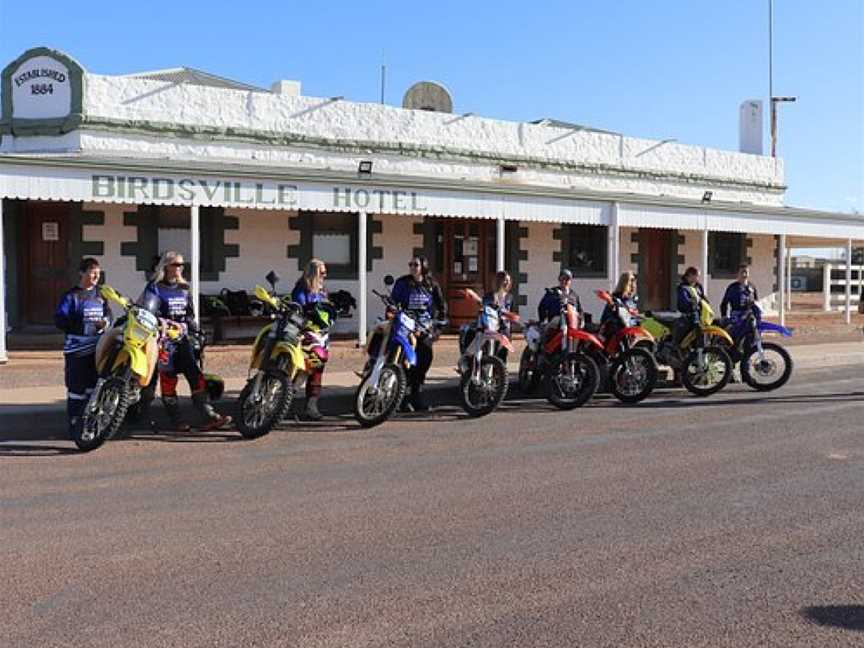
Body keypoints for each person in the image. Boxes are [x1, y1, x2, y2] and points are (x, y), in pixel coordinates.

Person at [140, 251, 231, 432]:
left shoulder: (184, 288)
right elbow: (148, 311)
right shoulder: (155, 287)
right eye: (176, 264)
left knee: (195, 375)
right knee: (168, 378)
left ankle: (209, 415)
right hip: (161, 339)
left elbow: (189, 314)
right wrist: (162, 323)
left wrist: (197, 332)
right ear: (165, 266)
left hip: (182, 339)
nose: (179, 268)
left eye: (182, 265)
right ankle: (176, 420)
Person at [54, 258, 112, 439]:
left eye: (98, 273)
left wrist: (105, 323)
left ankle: (91, 426)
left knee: (94, 390)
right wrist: (81, 324)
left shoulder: (101, 296)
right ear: (82, 273)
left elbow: (108, 315)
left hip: (97, 350)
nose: (96, 276)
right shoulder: (71, 296)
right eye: (92, 272)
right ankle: (74, 426)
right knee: (76, 390)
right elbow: (60, 320)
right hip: (77, 351)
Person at [391, 255, 447, 411]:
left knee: (424, 360)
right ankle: (400, 398)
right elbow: (393, 301)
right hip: (405, 326)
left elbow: (441, 307)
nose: (412, 267)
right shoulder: (402, 283)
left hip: (424, 328)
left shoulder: (432, 284)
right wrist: (393, 311)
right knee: (404, 362)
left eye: (415, 264)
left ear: (423, 266)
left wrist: (438, 329)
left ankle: (416, 397)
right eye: (410, 264)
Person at [291, 258, 331, 421]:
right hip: (304, 332)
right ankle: (284, 403)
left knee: (316, 368)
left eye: (325, 273)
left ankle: (311, 406)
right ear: (313, 272)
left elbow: (327, 309)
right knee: (302, 369)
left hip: (321, 335)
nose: (324, 276)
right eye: (322, 273)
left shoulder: (322, 291)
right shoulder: (302, 287)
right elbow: (299, 305)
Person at [482, 271, 515, 359]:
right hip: (492, 329)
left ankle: (500, 371)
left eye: (508, 280)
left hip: (505, 330)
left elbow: (511, 312)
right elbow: (485, 309)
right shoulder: (489, 296)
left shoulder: (509, 297)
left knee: (502, 356)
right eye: (505, 280)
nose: (507, 282)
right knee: (490, 355)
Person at [676, 266, 709, 342]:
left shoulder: (698, 286)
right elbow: (684, 303)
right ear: (690, 275)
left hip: (702, 315)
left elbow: (703, 298)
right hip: (688, 316)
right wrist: (694, 303)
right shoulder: (682, 288)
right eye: (696, 276)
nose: (698, 278)